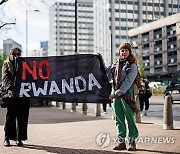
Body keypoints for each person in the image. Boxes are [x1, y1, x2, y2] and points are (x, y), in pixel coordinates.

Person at [100, 42, 139, 151]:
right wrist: (100, 60)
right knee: (118, 118)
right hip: (115, 92)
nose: (124, 52)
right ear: (119, 52)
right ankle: (121, 142)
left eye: (126, 50)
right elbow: (106, 72)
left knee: (130, 118)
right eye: (122, 50)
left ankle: (132, 142)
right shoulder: (116, 64)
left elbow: (129, 80)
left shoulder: (132, 65)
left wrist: (118, 92)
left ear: (129, 52)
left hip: (126, 93)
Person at [1, 47, 30, 147]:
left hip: (23, 95)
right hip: (12, 94)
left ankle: (19, 138)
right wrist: (9, 89)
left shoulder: (25, 64)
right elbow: (6, 77)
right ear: (10, 54)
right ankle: (7, 138)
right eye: (14, 54)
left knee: (22, 118)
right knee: (10, 117)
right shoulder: (7, 63)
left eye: (18, 54)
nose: (16, 56)